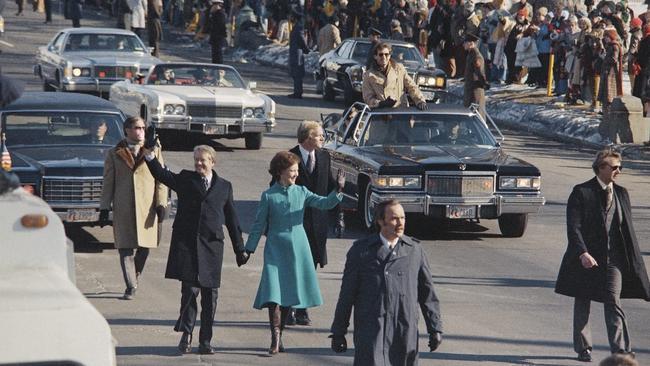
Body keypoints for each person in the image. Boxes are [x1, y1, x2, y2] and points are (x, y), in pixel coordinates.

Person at [143, 143, 249, 355]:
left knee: (210, 295)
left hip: (212, 247)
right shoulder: (185, 179)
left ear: (212, 162)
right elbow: (162, 175)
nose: (199, 163)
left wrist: (240, 249)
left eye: (203, 160)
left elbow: (232, 219)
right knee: (190, 291)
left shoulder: (225, 187)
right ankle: (187, 334)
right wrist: (150, 156)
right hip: (188, 245)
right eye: (196, 160)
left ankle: (206, 340)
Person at [242, 151, 345, 355]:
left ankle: (280, 333)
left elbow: (324, 203)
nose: (295, 175)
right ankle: (275, 338)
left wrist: (339, 189)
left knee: (289, 295)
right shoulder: (268, 195)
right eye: (292, 171)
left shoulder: (302, 191)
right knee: (273, 294)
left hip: (298, 247)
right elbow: (258, 224)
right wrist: (248, 249)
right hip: (275, 248)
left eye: (297, 171)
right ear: (280, 172)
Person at [555, 149, 650, 362]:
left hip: (613, 260)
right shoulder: (581, 191)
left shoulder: (622, 193)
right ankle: (583, 348)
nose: (618, 171)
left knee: (613, 301)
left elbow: (626, 230)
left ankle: (621, 351)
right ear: (600, 168)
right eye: (614, 167)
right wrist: (582, 253)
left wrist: (632, 262)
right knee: (583, 301)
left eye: (620, 167)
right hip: (586, 258)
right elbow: (574, 227)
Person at [330, 199, 443, 365]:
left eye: (403, 218)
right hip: (372, 331)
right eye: (394, 218)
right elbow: (347, 294)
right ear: (380, 221)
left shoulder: (414, 250)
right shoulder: (361, 251)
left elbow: (428, 294)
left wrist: (435, 328)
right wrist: (339, 331)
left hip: (404, 330)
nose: (400, 223)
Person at [274, 121, 340, 326]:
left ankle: (303, 309)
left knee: (309, 266)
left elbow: (330, 185)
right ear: (308, 137)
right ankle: (290, 308)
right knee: (293, 266)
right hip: (295, 223)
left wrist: (338, 216)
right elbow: (275, 187)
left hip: (318, 223)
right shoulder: (288, 157)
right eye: (319, 135)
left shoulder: (323, 156)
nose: (322, 139)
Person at [99, 116, 168, 301]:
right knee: (125, 248)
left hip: (147, 208)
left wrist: (162, 203)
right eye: (137, 128)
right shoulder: (115, 153)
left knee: (145, 246)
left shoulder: (153, 150)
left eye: (143, 128)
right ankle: (130, 285)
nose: (141, 131)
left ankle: (134, 274)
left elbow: (162, 179)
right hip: (124, 207)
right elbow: (108, 182)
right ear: (127, 130)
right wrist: (104, 207)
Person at [362, 42, 428, 110]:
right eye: (381, 55)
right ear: (375, 56)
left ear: (390, 55)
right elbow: (368, 98)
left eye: (386, 54)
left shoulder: (399, 69)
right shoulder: (368, 75)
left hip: (400, 111)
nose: (384, 57)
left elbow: (411, 86)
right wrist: (381, 103)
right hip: (380, 113)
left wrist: (420, 101)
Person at [463, 33, 488, 119]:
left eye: (465, 42)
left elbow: (479, 72)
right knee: (469, 114)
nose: (463, 44)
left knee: (477, 115)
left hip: (475, 91)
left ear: (471, 43)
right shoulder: (470, 54)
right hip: (470, 88)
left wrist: (484, 83)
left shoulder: (476, 56)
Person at [288, 11, 310, 99]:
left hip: (297, 54)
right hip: (295, 53)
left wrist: (306, 49)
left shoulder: (298, 27)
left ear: (295, 18)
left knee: (297, 73)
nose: (290, 18)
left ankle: (298, 92)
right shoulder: (296, 27)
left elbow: (302, 40)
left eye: (291, 17)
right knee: (295, 73)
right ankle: (296, 91)